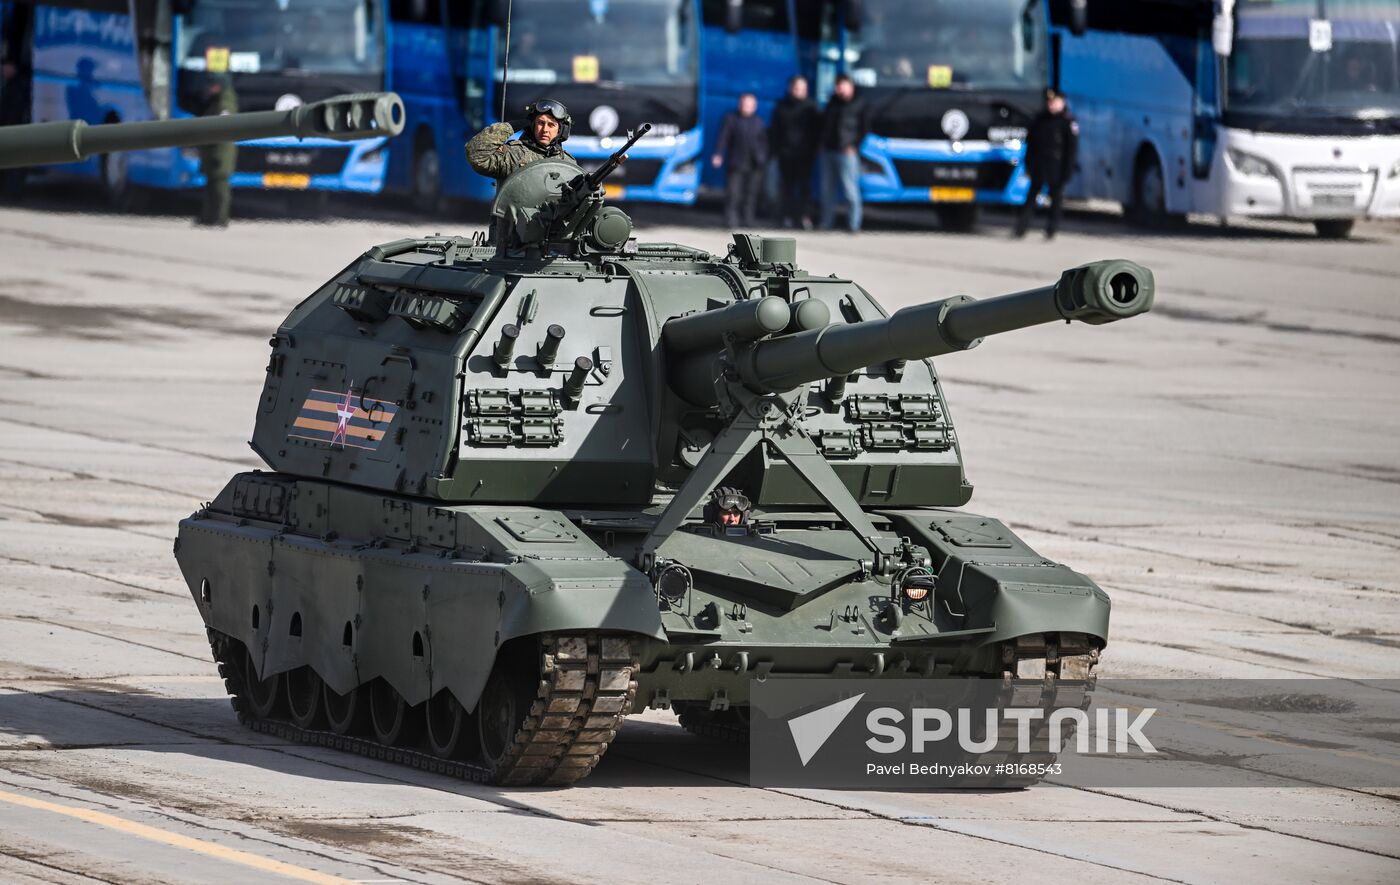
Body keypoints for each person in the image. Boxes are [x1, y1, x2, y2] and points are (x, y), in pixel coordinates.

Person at [1015, 87, 1078, 240]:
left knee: (1055, 200)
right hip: (1039, 166)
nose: (1052, 105)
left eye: (1055, 102)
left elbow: (1071, 149)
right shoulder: (1039, 120)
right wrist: (1028, 166)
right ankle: (1021, 228)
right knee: (1031, 198)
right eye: (1049, 102)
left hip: (1057, 167)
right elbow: (1030, 146)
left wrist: (1068, 170)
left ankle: (1051, 229)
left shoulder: (1067, 122)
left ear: (1062, 103)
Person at [466, 99, 578, 182]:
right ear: (532, 125)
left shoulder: (567, 163)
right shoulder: (513, 155)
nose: (545, 130)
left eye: (551, 125)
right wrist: (511, 126)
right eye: (540, 123)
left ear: (560, 130)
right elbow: (476, 155)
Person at [711, 92, 768, 228]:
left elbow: (764, 142)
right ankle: (730, 220)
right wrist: (718, 154)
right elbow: (723, 138)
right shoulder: (731, 119)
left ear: (754, 106)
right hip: (736, 162)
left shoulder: (759, 121)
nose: (746, 107)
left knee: (751, 194)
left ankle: (748, 220)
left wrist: (762, 157)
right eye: (744, 104)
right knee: (733, 194)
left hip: (754, 163)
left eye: (750, 105)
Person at [819, 74, 867, 233]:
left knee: (850, 189)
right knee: (827, 190)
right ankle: (826, 222)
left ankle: (854, 224)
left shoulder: (859, 103)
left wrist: (854, 145)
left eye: (843, 85)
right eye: (838, 85)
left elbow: (864, 129)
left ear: (850, 86)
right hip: (829, 151)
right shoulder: (832, 103)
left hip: (846, 152)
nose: (840, 88)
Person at [769, 75, 819, 228]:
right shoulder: (781, 106)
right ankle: (786, 217)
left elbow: (817, 131)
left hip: (805, 155)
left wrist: (813, 150)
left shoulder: (812, 107)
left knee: (805, 188)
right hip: (786, 154)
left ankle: (805, 217)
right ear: (790, 89)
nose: (800, 91)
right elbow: (775, 130)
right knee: (787, 188)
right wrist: (776, 150)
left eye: (803, 89)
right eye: (797, 88)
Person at [196, 74, 238, 227]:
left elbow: (223, 129)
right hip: (213, 151)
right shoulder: (215, 102)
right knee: (211, 186)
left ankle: (221, 217)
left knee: (220, 187)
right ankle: (208, 216)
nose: (210, 88)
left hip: (221, 153)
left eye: (212, 85)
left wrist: (219, 155)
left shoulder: (224, 103)